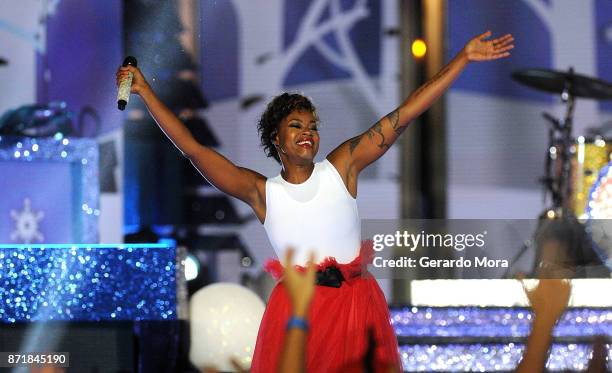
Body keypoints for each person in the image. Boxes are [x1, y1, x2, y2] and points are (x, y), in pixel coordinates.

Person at [117, 30, 514, 372]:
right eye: (296, 126)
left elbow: (404, 114)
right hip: (297, 313)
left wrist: (462, 59)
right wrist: (146, 92)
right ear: (277, 139)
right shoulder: (263, 193)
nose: (307, 133)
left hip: (355, 310)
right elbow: (193, 150)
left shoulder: (341, 167)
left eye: (312, 127)